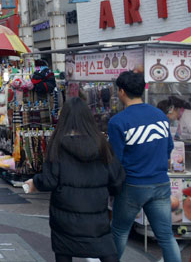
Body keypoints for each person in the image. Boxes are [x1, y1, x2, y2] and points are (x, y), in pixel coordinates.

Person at [24, 97, 124, 262]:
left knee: (64, 251)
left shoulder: (57, 145)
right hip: (96, 214)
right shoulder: (102, 144)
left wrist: (35, 182)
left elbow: (49, 180)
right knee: (105, 249)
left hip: (64, 216)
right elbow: (117, 179)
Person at [108, 71, 181, 262]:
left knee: (119, 231)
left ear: (121, 91)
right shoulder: (160, 116)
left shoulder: (118, 122)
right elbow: (169, 149)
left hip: (132, 185)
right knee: (166, 236)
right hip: (160, 183)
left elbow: (116, 159)